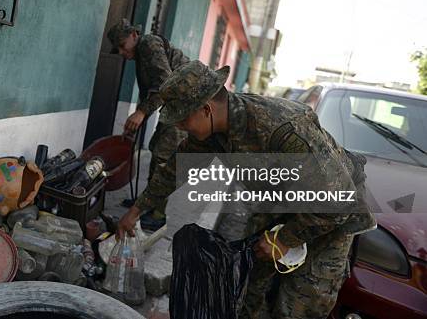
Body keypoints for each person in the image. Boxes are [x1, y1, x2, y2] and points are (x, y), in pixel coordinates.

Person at [118, 60, 376, 319]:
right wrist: (136, 211)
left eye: (183, 121)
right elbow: (174, 169)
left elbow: (337, 203)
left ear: (205, 109)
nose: (180, 128)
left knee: (298, 307)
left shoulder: (283, 129)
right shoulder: (214, 132)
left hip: (329, 216)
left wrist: (284, 239)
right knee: (250, 285)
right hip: (278, 202)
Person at [106, 18, 189, 230]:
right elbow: (150, 92)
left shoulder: (148, 44)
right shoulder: (140, 55)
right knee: (155, 148)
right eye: (119, 49)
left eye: (123, 46)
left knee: (163, 157)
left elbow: (165, 83)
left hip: (186, 106)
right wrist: (138, 119)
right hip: (174, 107)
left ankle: (158, 214)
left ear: (134, 35)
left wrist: (142, 112)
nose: (123, 53)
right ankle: (146, 205)